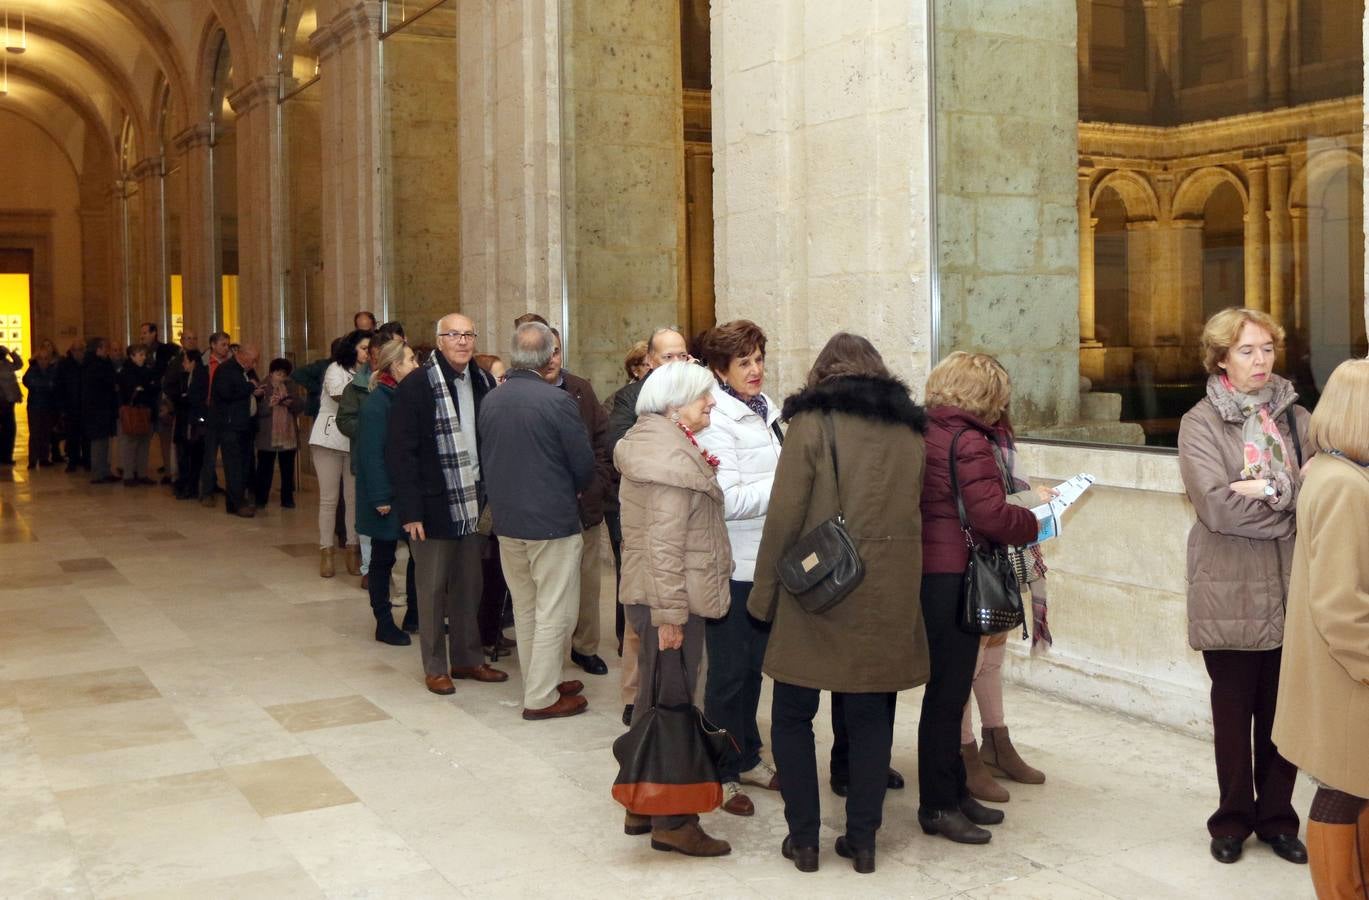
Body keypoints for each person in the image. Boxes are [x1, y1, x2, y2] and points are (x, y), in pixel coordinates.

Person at [746, 333, 929, 874]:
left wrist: (763, 594)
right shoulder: (909, 430)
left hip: (817, 592)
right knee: (870, 719)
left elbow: (785, 516)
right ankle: (863, 842)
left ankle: (804, 840)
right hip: (885, 594)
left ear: (823, 373)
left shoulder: (811, 422)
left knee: (791, 715)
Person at [1178, 307, 1309, 866]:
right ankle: (1231, 820)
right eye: (1247, 351)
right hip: (1228, 587)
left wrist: (1272, 492)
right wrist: (1288, 506)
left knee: (1284, 715)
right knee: (1233, 715)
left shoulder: (1297, 417)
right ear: (1221, 359)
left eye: (1267, 349)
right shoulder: (1200, 423)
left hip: (1292, 587)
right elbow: (1217, 507)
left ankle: (1278, 819)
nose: (1261, 361)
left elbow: (1320, 491)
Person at [918, 351, 1042, 844]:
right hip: (955, 575)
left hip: (934, 571)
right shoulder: (968, 439)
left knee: (947, 695)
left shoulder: (929, 428)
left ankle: (954, 793)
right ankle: (938, 806)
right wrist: (1032, 520)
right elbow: (990, 515)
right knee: (947, 698)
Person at [614, 360, 733, 857]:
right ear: (673, 404)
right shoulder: (668, 456)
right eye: (702, 395)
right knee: (675, 707)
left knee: (653, 702)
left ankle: (641, 803)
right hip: (669, 600)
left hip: (658, 597)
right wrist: (669, 618)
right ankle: (674, 820)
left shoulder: (658, 444)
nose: (711, 402)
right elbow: (664, 546)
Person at [1272, 358, 1369, 899]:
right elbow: (1339, 603)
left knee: (1356, 785)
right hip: (1348, 676)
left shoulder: (1340, 475)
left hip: (1345, 673)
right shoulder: (1343, 487)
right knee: (1343, 787)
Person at [479, 322, 597, 718]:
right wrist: (574, 488)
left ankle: (539, 681)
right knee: (553, 610)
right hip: (551, 521)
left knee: (527, 608)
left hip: (508, 522)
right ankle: (542, 698)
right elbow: (583, 464)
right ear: (548, 356)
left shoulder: (492, 399)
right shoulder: (556, 401)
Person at [387, 313, 506, 695]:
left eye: (468, 334)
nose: (462, 341)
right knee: (432, 589)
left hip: (474, 502)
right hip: (433, 505)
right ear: (439, 341)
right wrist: (411, 512)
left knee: (470, 587)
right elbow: (400, 453)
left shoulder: (483, 380)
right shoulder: (417, 385)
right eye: (454, 334)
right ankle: (436, 666)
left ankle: (468, 659)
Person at [691, 321, 783, 818]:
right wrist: (788, 485)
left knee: (753, 671)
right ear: (720, 370)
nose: (755, 369)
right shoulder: (717, 419)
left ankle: (747, 757)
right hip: (733, 565)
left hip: (767, 562)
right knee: (727, 676)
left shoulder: (768, 409)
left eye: (759, 358)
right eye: (744, 362)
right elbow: (726, 499)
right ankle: (720, 773)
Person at [960, 412, 1048, 804]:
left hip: (999, 558)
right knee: (966, 665)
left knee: (993, 656)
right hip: (968, 562)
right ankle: (964, 753)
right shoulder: (961, 438)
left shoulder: (997, 436)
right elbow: (979, 507)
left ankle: (996, 742)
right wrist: (1032, 500)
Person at [608, 327, 691, 725]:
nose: (676, 362)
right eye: (668, 356)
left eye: (682, 355)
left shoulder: (697, 395)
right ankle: (634, 694)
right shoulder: (632, 398)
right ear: (651, 361)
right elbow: (618, 447)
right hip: (644, 516)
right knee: (640, 616)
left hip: (685, 521)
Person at [356, 339, 421, 646]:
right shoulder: (376, 404)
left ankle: (415, 615)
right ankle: (383, 622)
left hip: (407, 491)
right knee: (382, 558)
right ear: (395, 366)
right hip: (385, 496)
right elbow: (371, 455)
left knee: (418, 554)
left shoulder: (405, 397)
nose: (416, 365)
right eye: (411, 361)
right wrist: (380, 497)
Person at [310, 330, 370, 577]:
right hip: (329, 438)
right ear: (352, 349)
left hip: (355, 440)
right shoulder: (335, 369)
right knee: (329, 499)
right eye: (363, 348)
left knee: (353, 499)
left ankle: (353, 550)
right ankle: (326, 551)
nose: (367, 353)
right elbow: (339, 395)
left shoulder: (370, 372)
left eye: (370, 349)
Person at [208, 343, 260, 517]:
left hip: (243, 425)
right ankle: (237, 502)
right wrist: (250, 387)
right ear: (242, 355)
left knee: (243, 464)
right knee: (234, 466)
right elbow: (226, 393)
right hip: (230, 426)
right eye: (253, 360)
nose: (254, 364)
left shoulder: (243, 371)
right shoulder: (226, 369)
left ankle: (235, 502)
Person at [253, 358, 301, 509]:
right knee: (264, 468)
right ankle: (261, 499)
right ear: (271, 373)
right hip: (268, 434)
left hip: (288, 433)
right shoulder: (263, 386)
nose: (281, 377)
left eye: (284, 374)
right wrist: (270, 405)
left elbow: (300, 405)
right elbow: (256, 411)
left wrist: (290, 403)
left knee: (287, 469)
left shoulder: (290, 385)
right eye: (278, 374)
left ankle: (287, 499)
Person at [140, 322, 178, 483]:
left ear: (154, 333)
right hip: (148, 400)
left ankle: (169, 471)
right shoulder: (141, 351)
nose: (142, 336)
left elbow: (163, 373)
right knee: (145, 436)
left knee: (165, 436)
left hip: (161, 398)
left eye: (145, 332)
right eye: (141, 333)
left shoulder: (164, 350)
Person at [116, 344, 159, 486]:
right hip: (132, 412)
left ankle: (142, 473)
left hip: (146, 411)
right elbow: (133, 389)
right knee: (130, 444)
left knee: (144, 444)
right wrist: (144, 388)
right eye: (140, 355)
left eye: (144, 354)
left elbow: (152, 387)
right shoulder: (126, 372)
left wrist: (145, 388)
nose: (144, 357)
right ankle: (128, 474)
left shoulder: (147, 370)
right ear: (132, 356)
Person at [169, 350, 204, 500]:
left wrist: (185, 398)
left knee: (193, 456)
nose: (183, 364)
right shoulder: (184, 377)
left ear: (193, 362)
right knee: (184, 455)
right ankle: (185, 486)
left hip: (193, 422)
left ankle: (191, 487)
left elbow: (194, 399)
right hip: (184, 421)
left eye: (185, 361)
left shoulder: (200, 376)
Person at [22, 340, 59, 469]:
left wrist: (42, 386)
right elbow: (28, 382)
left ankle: (44, 458)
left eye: (46, 359)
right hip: (35, 406)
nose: (43, 361)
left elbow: (53, 385)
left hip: (48, 406)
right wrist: (45, 385)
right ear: (37, 360)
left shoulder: (52, 371)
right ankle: (33, 459)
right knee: (35, 433)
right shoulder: (32, 370)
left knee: (46, 433)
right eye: (41, 359)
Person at [54, 339, 88, 471]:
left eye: (81, 350)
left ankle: (87, 460)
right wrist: (61, 407)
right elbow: (59, 386)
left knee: (86, 435)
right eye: (76, 350)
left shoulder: (88, 364)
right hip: (70, 406)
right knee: (72, 436)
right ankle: (73, 461)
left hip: (85, 405)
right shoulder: (64, 365)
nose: (78, 353)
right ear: (72, 351)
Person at [0, 344, 22, 466]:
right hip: (4, 400)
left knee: (9, 429)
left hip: (9, 400)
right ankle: (5, 455)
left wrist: (12, 354)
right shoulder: (6, 365)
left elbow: (19, 364)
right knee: (7, 429)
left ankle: (7, 455)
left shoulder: (7, 364)